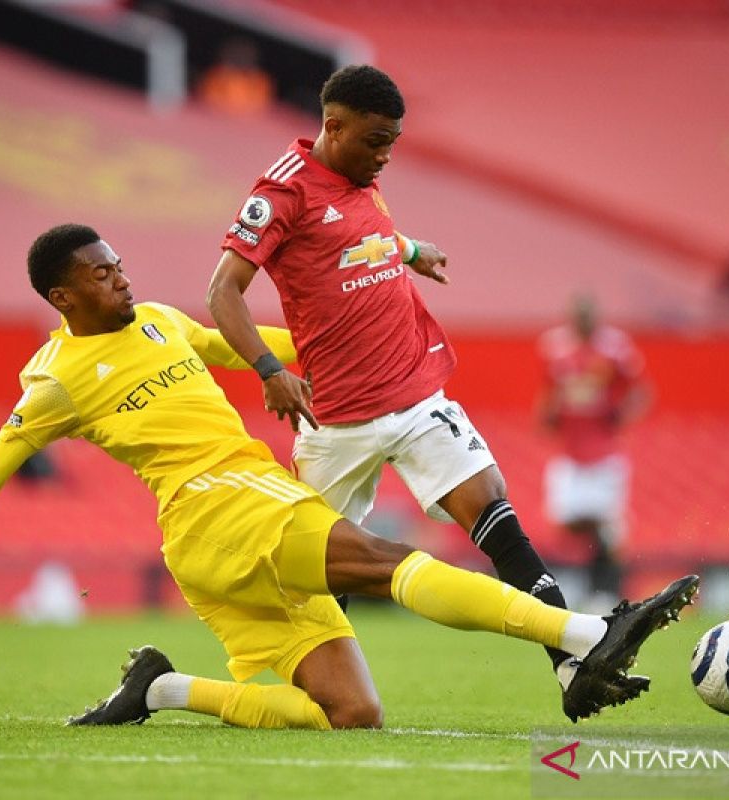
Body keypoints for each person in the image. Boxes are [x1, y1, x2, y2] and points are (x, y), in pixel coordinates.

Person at [0, 224, 699, 731]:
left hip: (222, 542)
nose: (121, 277)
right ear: (63, 297)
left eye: (118, 263)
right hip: (220, 508)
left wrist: (348, 350)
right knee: (386, 558)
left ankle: (160, 688)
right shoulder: (52, 382)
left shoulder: (158, 320)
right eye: (101, 273)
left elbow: (252, 347)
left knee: (351, 717)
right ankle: (584, 633)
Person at [206, 64, 637, 720]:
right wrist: (269, 369)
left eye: (393, 143)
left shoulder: (362, 178)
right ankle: (319, 693)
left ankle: (570, 660)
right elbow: (222, 291)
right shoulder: (282, 192)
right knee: (324, 569)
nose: (385, 156)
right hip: (335, 418)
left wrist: (408, 250)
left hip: (412, 393)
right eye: (376, 141)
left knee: (492, 510)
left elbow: (354, 239)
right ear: (333, 127)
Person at [536, 295, 650, 610]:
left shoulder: (615, 348)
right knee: (566, 520)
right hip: (570, 453)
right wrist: (549, 414)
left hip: (604, 454)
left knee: (609, 527)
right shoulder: (555, 346)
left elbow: (640, 391)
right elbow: (550, 393)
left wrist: (620, 414)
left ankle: (608, 592)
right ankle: (588, 583)